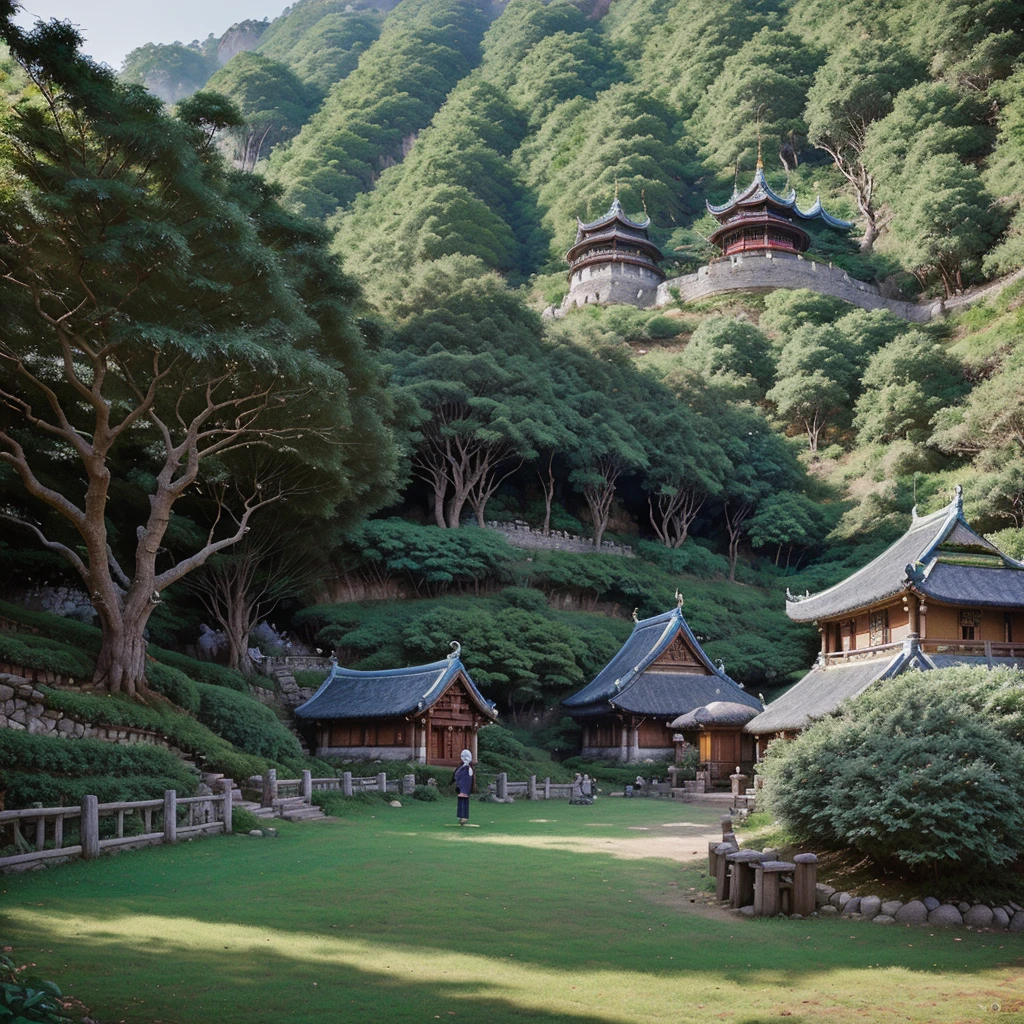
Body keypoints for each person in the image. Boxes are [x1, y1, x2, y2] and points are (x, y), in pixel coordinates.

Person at [454, 749, 474, 825]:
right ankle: (461, 817)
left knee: (464, 800)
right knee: (461, 800)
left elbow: (469, 778)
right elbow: (457, 775)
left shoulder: (468, 768)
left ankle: (464, 817)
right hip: (461, 788)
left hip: (465, 788)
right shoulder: (461, 768)